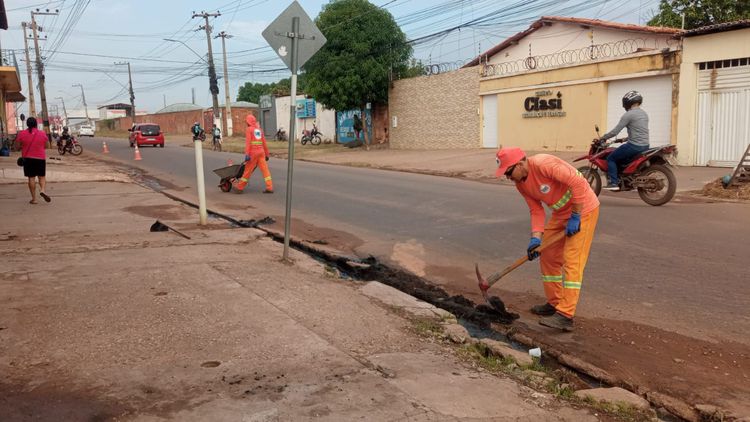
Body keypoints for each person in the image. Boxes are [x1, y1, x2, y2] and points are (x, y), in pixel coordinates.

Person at [495, 147, 600, 331]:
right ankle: (555, 302)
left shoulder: (544, 164)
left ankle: (565, 315)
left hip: (583, 210)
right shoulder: (521, 184)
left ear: (519, 164)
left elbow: (578, 183)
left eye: (509, 172)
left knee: (572, 261)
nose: (508, 177)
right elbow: (536, 210)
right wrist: (536, 239)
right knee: (548, 256)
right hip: (561, 214)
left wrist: (576, 216)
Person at [599, 91, 649, 191]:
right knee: (622, 159)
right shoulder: (644, 114)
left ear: (627, 102)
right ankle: (627, 180)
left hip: (634, 146)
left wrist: (603, 137)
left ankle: (614, 183)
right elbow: (639, 130)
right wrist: (625, 139)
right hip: (645, 146)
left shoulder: (628, 115)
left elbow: (615, 131)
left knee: (611, 158)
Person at [233, 114, 273, 194]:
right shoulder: (259, 130)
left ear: (248, 122)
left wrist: (247, 154)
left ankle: (240, 187)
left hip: (253, 153)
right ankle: (269, 187)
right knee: (265, 170)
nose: (246, 123)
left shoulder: (249, 129)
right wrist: (267, 154)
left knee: (247, 171)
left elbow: (248, 143)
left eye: (247, 121)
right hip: (261, 152)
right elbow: (264, 142)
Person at [15, 117, 51, 204]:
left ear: (27, 124)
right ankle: (42, 190)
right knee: (41, 177)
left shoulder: (22, 134)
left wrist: (23, 146)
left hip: (28, 159)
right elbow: (47, 146)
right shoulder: (42, 133)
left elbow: (16, 147)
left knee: (31, 178)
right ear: (36, 124)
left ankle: (34, 199)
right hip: (40, 158)